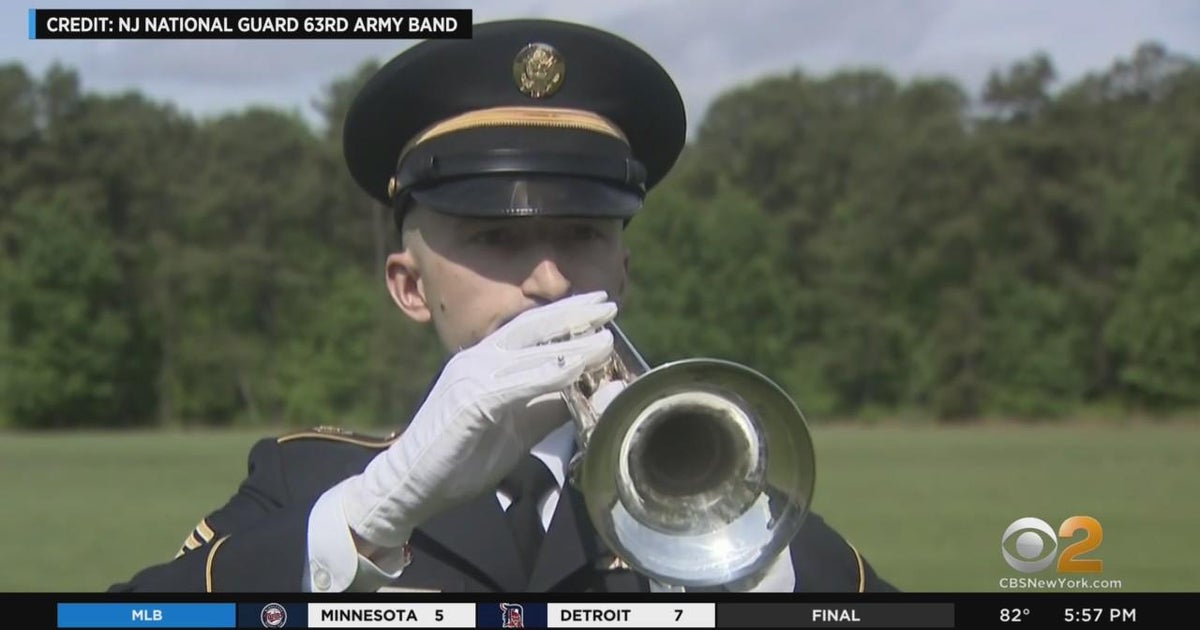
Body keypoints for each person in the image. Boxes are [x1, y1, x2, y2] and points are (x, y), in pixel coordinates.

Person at [109, 18, 896, 594]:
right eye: (495, 239)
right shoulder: (308, 476)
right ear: (409, 287)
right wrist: (367, 515)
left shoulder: (731, 489)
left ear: (621, 272)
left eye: (582, 235)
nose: (549, 282)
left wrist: (742, 562)